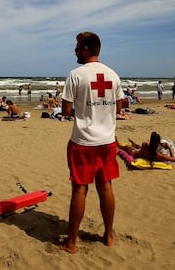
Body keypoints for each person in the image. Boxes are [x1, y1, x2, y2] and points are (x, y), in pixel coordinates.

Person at [59, 32, 124, 254]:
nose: (74, 51)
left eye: (77, 47)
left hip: (83, 141)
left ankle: (72, 242)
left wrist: (85, 110)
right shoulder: (113, 75)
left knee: (79, 189)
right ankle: (108, 235)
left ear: (86, 49)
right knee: (105, 186)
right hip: (107, 141)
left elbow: (67, 111)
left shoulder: (75, 75)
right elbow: (119, 108)